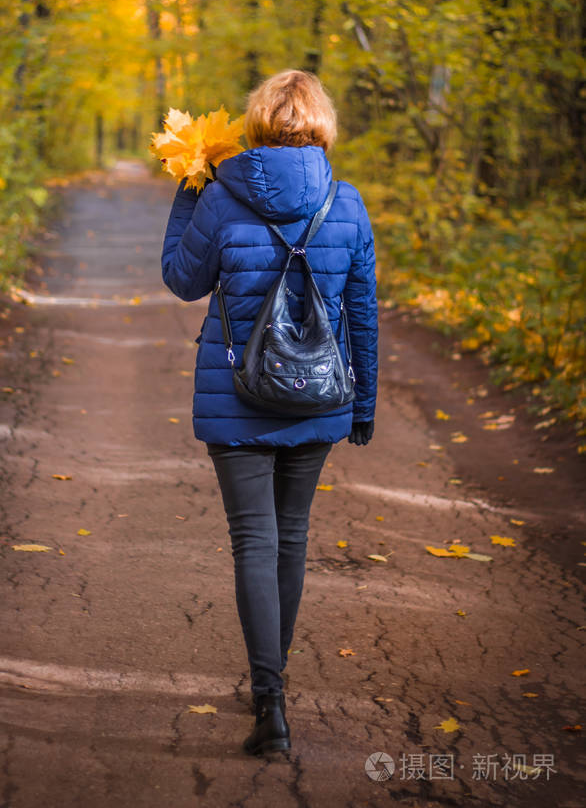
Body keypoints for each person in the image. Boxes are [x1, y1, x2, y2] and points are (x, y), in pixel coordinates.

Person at [161, 69, 378, 755]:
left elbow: (181, 279)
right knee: (291, 535)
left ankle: (270, 701)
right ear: (321, 125)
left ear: (254, 125)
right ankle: (273, 681)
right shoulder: (347, 204)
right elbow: (363, 315)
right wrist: (363, 401)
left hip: (238, 397)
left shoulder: (221, 197)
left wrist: (185, 193)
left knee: (253, 539)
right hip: (320, 395)